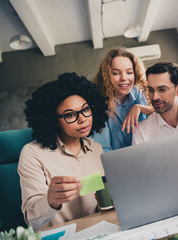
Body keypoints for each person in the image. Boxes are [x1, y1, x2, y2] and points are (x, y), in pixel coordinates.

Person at [18, 72, 109, 230]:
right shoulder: (32, 153)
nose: (82, 119)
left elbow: (99, 202)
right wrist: (51, 200)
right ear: (54, 121)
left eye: (85, 109)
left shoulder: (96, 149)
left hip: (99, 231)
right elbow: (31, 218)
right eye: (70, 115)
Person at [93, 48, 154, 151]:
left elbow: (162, 114)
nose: (124, 78)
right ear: (106, 76)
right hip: (121, 160)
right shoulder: (99, 104)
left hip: (149, 152)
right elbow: (104, 148)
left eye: (129, 72)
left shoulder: (140, 92)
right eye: (116, 73)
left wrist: (140, 108)